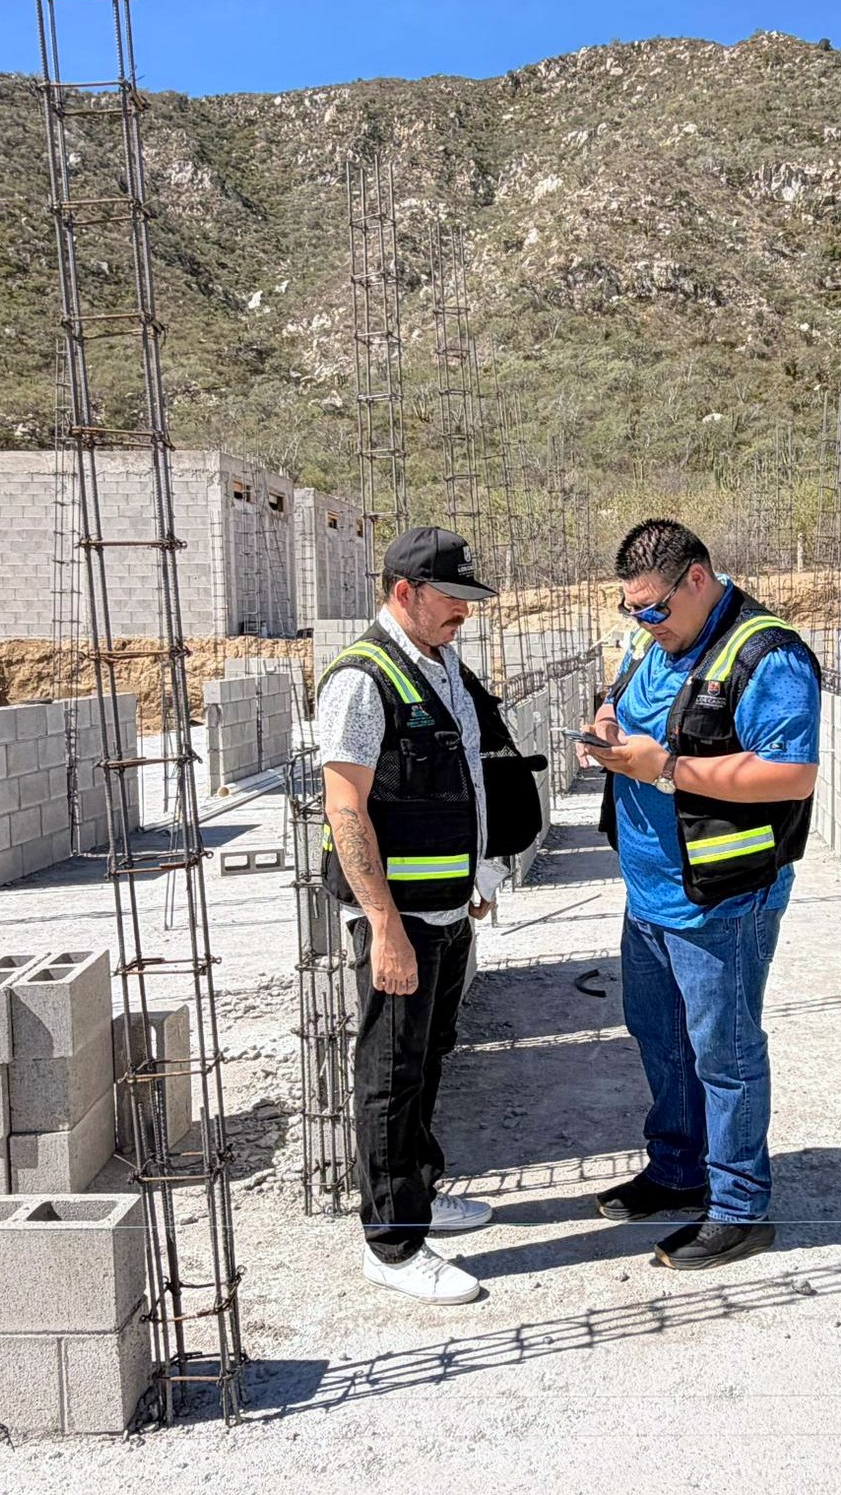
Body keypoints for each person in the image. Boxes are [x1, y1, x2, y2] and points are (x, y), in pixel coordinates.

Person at [581, 518, 821, 1270]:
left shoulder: (766, 655)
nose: (645, 623)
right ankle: (679, 1169)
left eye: (654, 609)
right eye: (633, 611)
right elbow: (621, 701)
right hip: (650, 892)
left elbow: (792, 775)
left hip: (723, 900)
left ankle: (740, 1207)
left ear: (696, 578)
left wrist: (664, 769)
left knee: (726, 1054)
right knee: (659, 1037)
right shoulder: (648, 643)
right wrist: (607, 727)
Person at [318, 525, 522, 1305]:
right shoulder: (362, 679)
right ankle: (394, 1243)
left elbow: (458, 778)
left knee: (430, 1057)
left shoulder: (441, 664)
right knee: (390, 1075)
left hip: (444, 909)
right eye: (452, 599)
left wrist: (474, 875)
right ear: (405, 593)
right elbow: (346, 809)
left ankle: (421, 1194)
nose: (464, 612)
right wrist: (386, 927)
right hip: (396, 919)